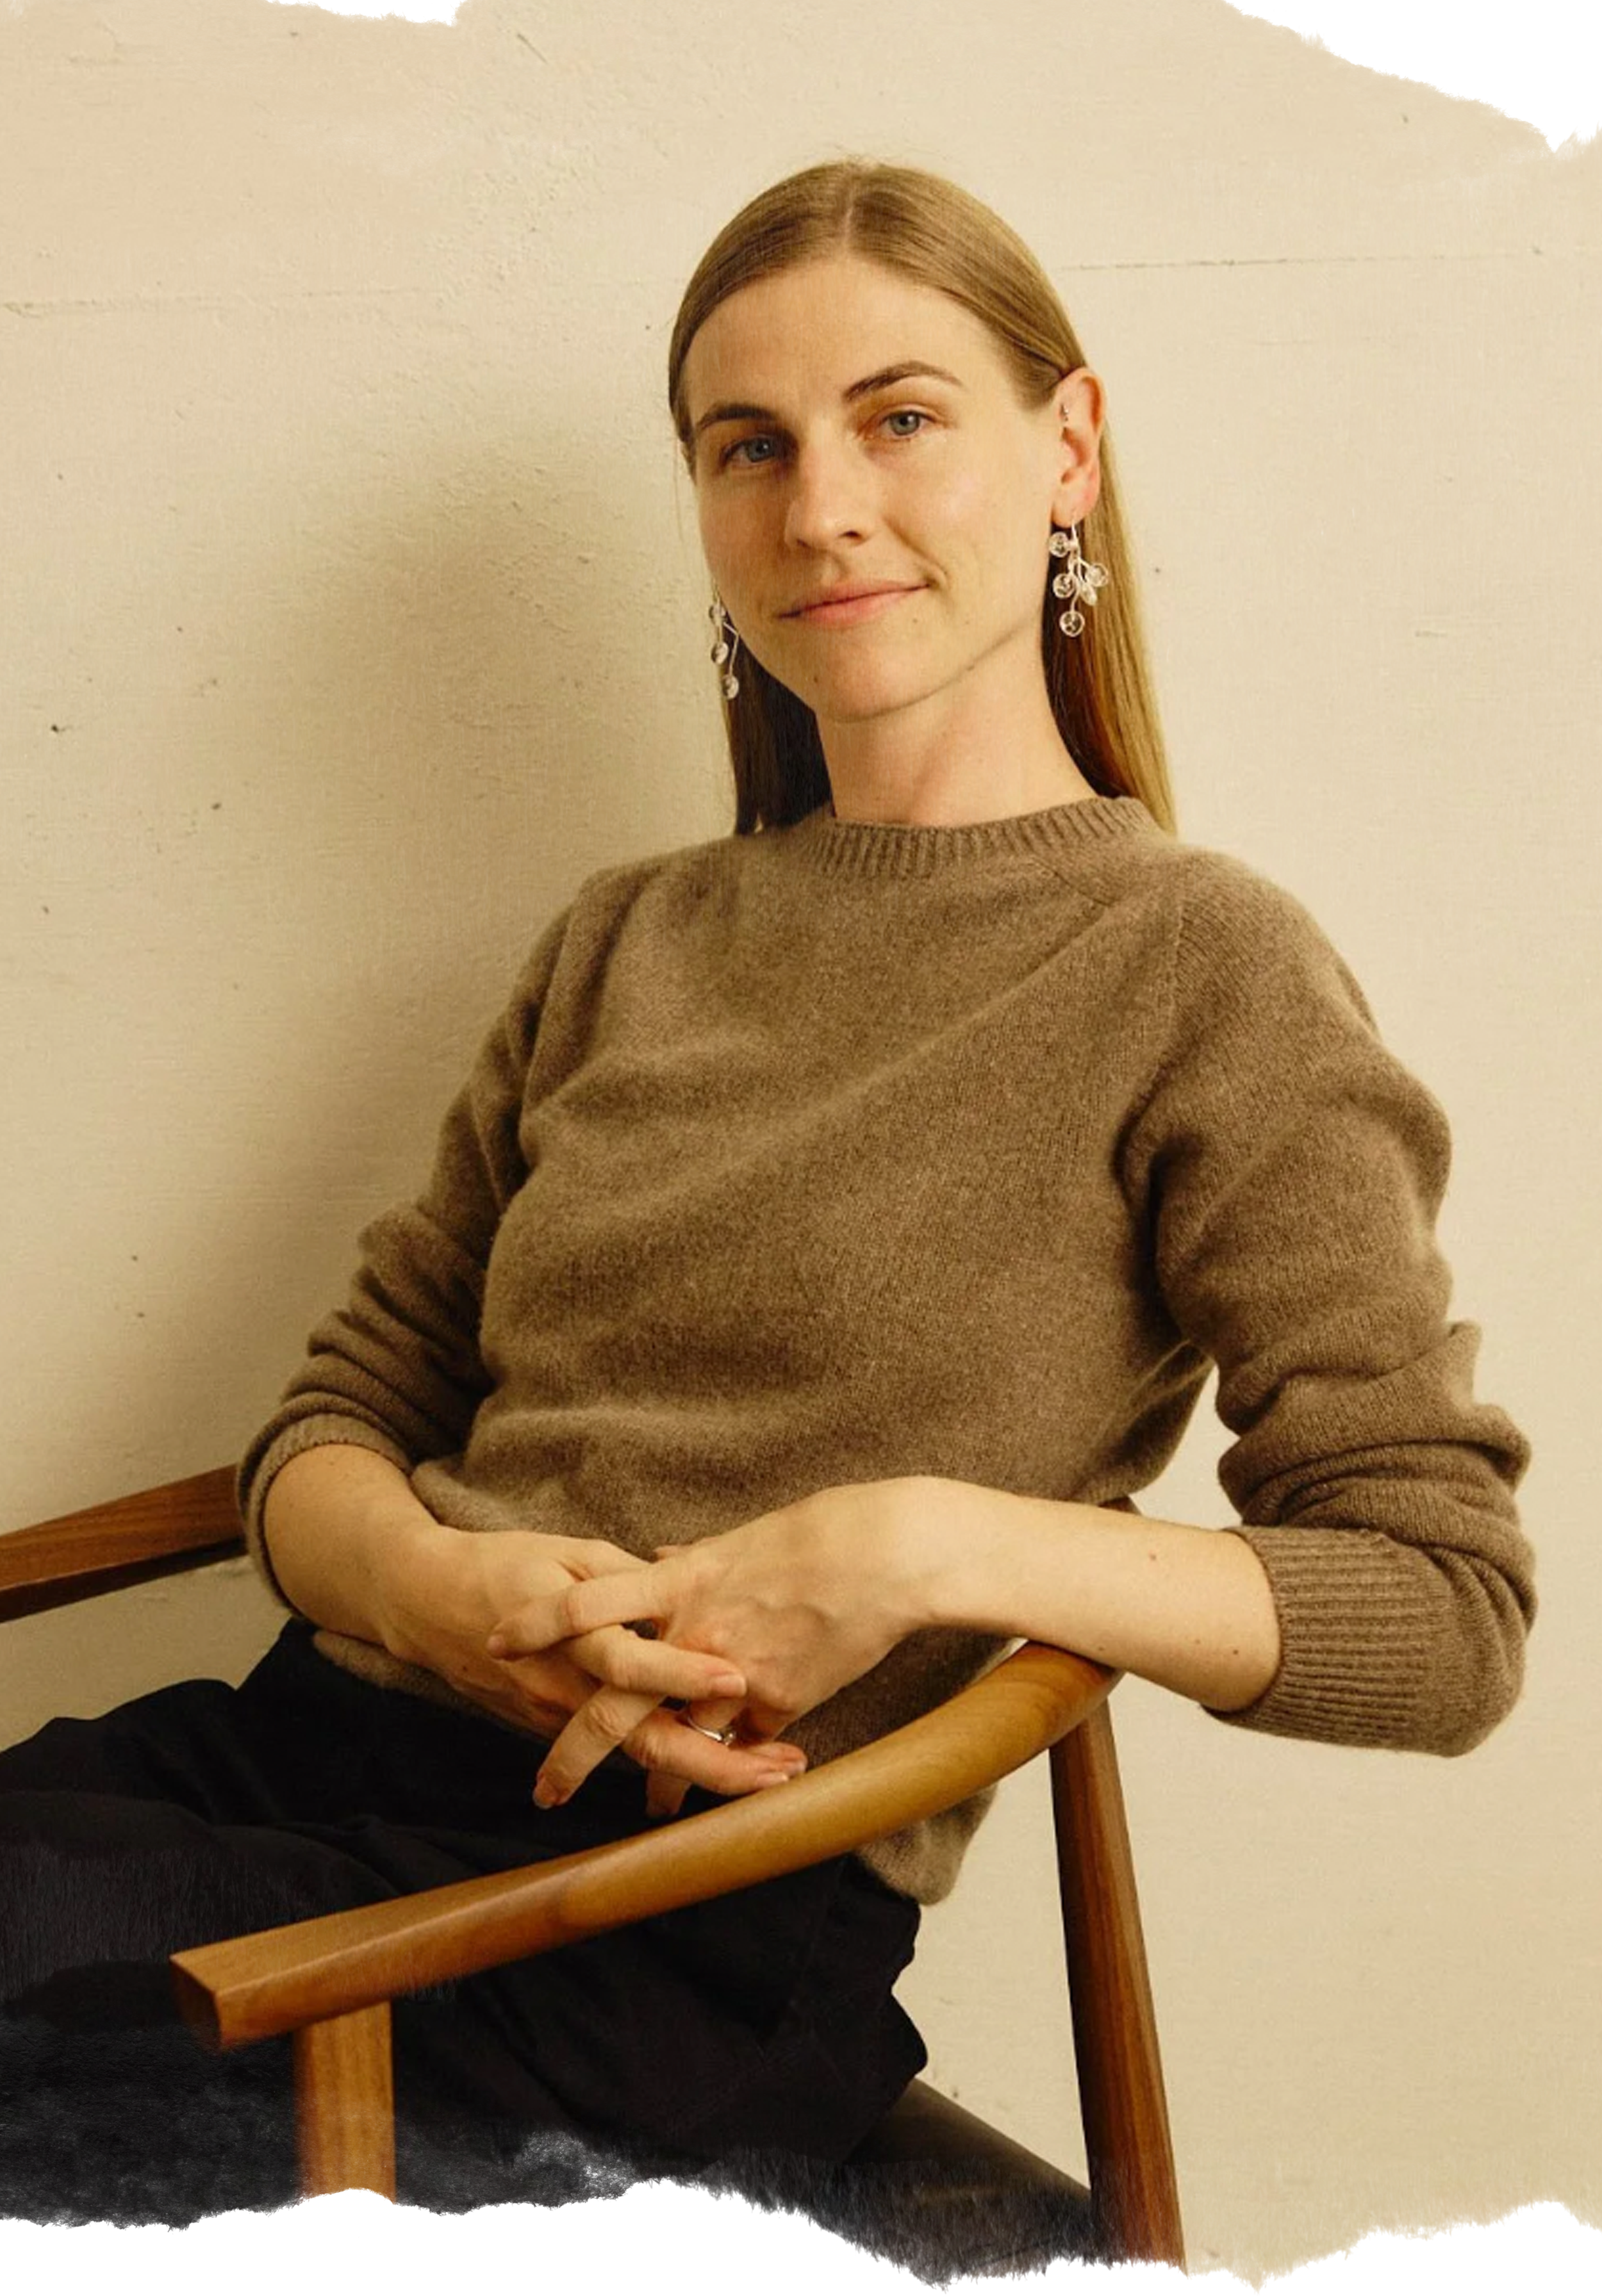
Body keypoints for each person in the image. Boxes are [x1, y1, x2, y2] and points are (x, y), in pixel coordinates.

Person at [1, 158, 1535, 2296]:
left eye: (899, 415)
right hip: (288, 1769)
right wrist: (439, 1584)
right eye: (750, 445)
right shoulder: (627, 936)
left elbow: (1440, 1610)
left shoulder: (1202, 973)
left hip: (652, 1956)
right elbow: (341, 1412)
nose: (820, 506)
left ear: (1064, 445)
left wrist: (931, 1544)